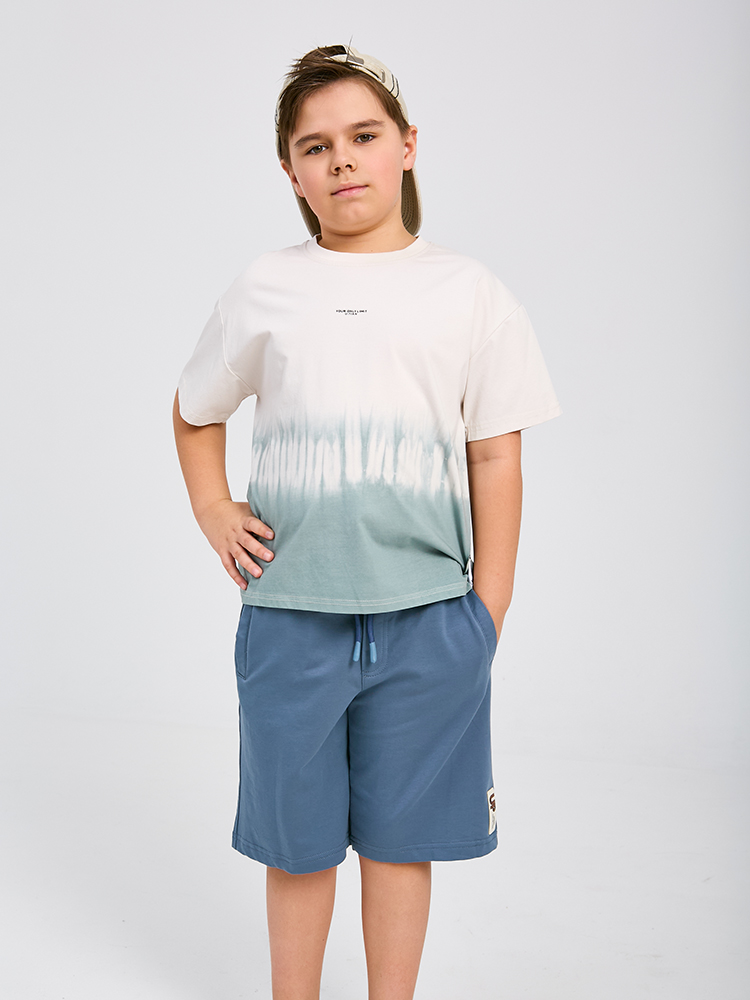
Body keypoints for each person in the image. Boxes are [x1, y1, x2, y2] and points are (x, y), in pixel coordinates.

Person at [173, 44, 561, 1000]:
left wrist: (489, 609)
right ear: (291, 172)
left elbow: (495, 455)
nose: (342, 159)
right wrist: (215, 507)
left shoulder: (469, 293)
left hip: (431, 620)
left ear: (406, 146)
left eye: (363, 135)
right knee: (298, 845)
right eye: (316, 146)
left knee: (400, 841)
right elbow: (194, 409)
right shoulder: (265, 287)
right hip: (290, 618)